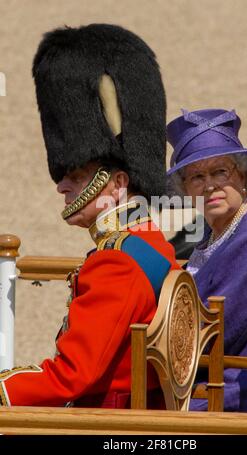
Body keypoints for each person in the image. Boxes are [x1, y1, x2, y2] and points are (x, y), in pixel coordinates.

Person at [0, 24, 180, 409]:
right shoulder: (152, 244)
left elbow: (71, 377)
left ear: (117, 182)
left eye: (77, 175)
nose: (62, 187)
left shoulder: (116, 261)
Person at [167, 108, 247, 413]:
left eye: (220, 172)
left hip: (238, 395)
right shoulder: (222, 234)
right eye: (197, 176)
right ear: (186, 191)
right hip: (217, 382)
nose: (210, 185)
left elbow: (216, 335)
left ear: (243, 176)